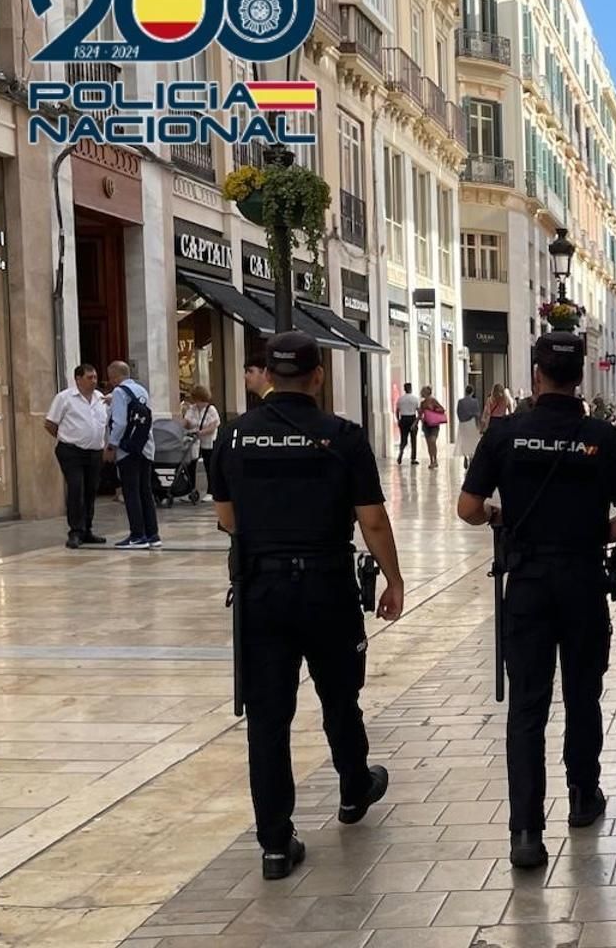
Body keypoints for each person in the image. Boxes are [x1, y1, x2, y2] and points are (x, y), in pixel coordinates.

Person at [209, 331, 406, 881]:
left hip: (261, 591)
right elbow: (371, 519)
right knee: (340, 698)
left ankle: (275, 842)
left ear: (267, 376)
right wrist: (393, 579)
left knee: (267, 720)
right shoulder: (342, 436)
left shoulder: (233, 436)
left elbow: (227, 519)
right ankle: (352, 788)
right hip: (326, 586)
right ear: (318, 377)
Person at [458, 331, 616, 871]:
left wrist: (501, 518)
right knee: (584, 695)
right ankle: (583, 797)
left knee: (527, 707)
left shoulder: (506, 434)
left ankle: (525, 833)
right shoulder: (604, 438)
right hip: (584, 579)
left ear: (536, 374)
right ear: (581, 377)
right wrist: (592, 535)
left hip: (529, 583)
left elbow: (469, 507)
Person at [44, 363, 109, 549]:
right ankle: (75, 531)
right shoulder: (65, 398)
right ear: (78, 379)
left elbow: (104, 425)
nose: (94, 381)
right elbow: (50, 423)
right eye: (90, 378)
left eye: (95, 377)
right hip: (72, 451)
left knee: (91, 489)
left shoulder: (100, 398)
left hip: (95, 452)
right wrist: (66, 438)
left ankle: (87, 528)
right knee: (76, 488)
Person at [106, 360, 160, 549]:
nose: (109, 380)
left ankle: (137, 535)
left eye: (110, 376)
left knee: (131, 491)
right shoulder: (141, 390)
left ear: (114, 375)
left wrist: (112, 446)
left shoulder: (119, 392)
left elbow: (120, 423)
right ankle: (152, 533)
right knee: (145, 490)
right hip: (145, 447)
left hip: (128, 449)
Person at [184, 385, 222, 458]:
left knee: (208, 462)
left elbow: (212, 427)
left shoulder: (211, 410)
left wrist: (200, 433)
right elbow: (186, 422)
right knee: (191, 462)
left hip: (208, 443)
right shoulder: (192, 409)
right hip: (194, 443)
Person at [417, 387, 447, 469]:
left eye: (423, 392)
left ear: (427, 392)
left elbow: (442, 409)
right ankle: (431, 461)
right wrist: (415, 423)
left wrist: (433, 409)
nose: (422, 393)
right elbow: (420, 415)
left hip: (434, 425)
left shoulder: (433, 400)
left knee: (432, 441)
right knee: (429, 444)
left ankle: (435, 459)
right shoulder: (422, 403)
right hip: (426, 425)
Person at [455, 387, 482, 469]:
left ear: (465, 391)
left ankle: (465, 456)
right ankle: (471, 457)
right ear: (472, 392)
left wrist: (462, 421)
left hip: (463, 424)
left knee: (464, 440)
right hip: (472, 423)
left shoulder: (460, 401)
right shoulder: (475, 402)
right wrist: (479, 425)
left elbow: (458, 412)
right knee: (472, 441)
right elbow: (477, 414)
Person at [394, 383, 421, 465]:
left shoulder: (400, 399)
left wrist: (398, 420)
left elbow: (397, 411)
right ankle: (413, 459)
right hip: (412, 418)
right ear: (411, 389)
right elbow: (419, 412)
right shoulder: (415, 399)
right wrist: (416, 422)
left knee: (403, 439)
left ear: (404, 389)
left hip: (403, 419)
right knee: (413, 440)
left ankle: (401, 452)